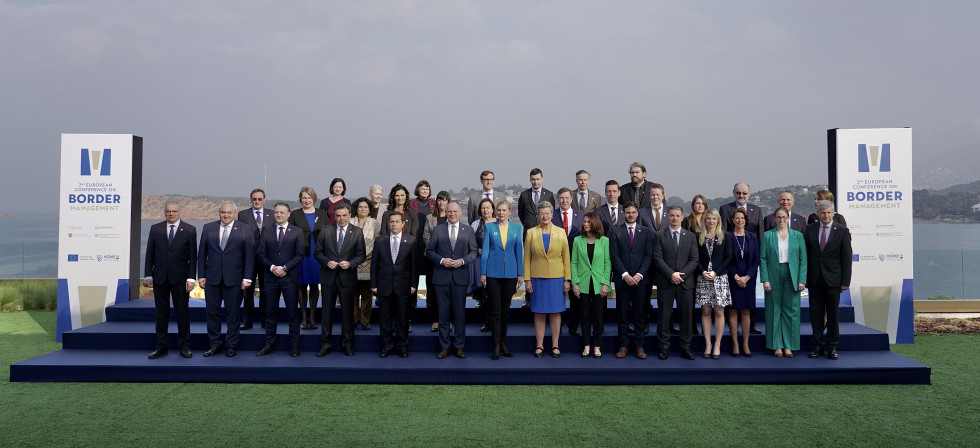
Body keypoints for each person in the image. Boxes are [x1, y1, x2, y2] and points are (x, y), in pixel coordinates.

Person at [197, 201, 255, 358]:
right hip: (212, 280)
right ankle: (214, 345)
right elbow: (202, 253)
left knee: (233, 315)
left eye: (229, 212)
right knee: (212, 314)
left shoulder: (245, 229)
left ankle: (231, 345)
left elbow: (250, 256)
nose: (226, 215)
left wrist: (247, 278)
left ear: (235, 214)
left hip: (235, 280)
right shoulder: (208, 228)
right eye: (223, 212)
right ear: (219, 213)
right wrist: (201, 275)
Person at [144, 201, 197, 359]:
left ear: (180, 212)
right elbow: (149, 254)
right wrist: (148, 275)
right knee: (161, 314)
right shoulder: (155, 229)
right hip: (160, 278)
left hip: (180, 279)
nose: (171, 214)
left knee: (182, 314)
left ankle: (185, 346)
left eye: (174, 211)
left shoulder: (189, 230)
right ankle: (161, 347)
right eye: (168, 211)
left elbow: (193, 257)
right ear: (164, 212)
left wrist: (191, 278)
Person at [425, 201, 478, 359]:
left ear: (461, 212)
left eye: (455, 211)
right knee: (443, 314)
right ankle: (444, 346)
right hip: (441, 278)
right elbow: (429, 251)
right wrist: (442, 260)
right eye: (449, 212)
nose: (452, 214)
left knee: (460, 314)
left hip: (460, 277)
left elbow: (473, 252)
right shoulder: (437, 230)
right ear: (445, 213)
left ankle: (459, 346)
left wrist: (462, 261)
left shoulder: (468, 230)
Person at [314, 202, 366, 357]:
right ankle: (325, 345)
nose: (341, 218)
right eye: (338, 216)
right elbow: (317, 253)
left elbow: (361, 255)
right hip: (328, 278)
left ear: (350, 215)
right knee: (326, 314)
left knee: (348, 314)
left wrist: (350, 263)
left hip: (347, 278)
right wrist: (326, 261)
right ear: (334, 216)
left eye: (344, 215)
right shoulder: (325, 230)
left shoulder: (357, 232)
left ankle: (348, 344)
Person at [255, 202, 306, 357]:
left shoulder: (297, 232)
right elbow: (261, 254)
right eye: (276, 212)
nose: (278, 215)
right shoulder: (267, 232)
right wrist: (272, 268)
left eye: (282, 212)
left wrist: (284, 268)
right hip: (270, 278)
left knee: (292, 313)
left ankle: (295, 345)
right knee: (270, 313)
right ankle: (269, 344)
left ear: (288, 214)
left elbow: (300, 255)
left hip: (289, 278)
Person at [804, 200, 852, 360]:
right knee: (815, 315)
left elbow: (846, 258)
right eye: (822, 212)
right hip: (814, 279)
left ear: (834, 213)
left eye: (828, 213)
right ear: (817, 214)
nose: (825, 215)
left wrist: (846, 281)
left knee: (833, 315)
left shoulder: (843, 231)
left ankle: (832, 347)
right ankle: (817, 347)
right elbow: (804, 256)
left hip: (834, 280)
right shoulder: (809, 229)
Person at [523, 201, 571, 358]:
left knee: (556, 312)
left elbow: (566, 258)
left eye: (547, 213)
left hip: (557, 278)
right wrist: (527, 280)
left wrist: (567, 280)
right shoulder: (531, 233)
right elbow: (527, 258)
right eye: (542, 213)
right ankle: (539, 345)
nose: (545, 216)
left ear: (552, 214)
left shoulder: (560, 231)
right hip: (537, 278)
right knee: (539, 312)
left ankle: (555, 345)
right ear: (538, 215)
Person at [651, 205, 699, 360]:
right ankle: (664, 348)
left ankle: (686, 347)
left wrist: (681, 276)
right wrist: (671, 274)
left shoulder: (691, 236)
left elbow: (694, 259)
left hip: (686, 283)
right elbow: (657, 258)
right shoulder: (659, 235)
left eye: (677, 216)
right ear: (667, 216)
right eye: (671, 215)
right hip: (666, 282)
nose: (674, 218)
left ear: (682, 217)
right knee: (664, 317)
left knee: (686, 317)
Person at [760, 206, 807, 358]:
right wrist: (765, 280)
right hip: (774, 275)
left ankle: (789, 345)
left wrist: (801, 280)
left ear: (788, 218)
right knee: (774, 311)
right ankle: (776, 345)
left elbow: (803, 260)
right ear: (774, 219)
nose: (781, 220)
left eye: (784, 217)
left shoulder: (797, 236)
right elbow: (763, 259)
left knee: (791, 312)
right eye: (778, 217)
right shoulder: (767, 236)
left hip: (791, 275)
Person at [609, 201, 653, 359]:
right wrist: (625, 275)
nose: (631, 215)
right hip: (622, 280)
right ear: (623, 213)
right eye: (628, 212)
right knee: (622, 314)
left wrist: (639, 275)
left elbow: (649, 256)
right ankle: (623, 346)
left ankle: (640, 346)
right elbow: (614, 256)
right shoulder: (615, 232)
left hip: (641, 280)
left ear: (637, 213)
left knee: (640, 314)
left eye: (633, 212)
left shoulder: (647, 232)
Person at [480, 200, 524, 360]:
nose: (501, 213)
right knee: (496, 311)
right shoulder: (489, 227)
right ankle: (496, 345)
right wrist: (482, 272)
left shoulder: (517, 228)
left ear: (510, 212)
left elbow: (519, 251)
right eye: (498, 210)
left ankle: (503, 342)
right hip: (492, 274)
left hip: (511, 274)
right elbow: (485, 250)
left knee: (505, 311)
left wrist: (520, 273)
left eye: (504, 210)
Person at [372, 211, 418, 358]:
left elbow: (414, 266)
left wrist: (413, 284)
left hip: (403, 286)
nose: (394, 224)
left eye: (397, 222)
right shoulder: (380, 240)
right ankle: (386, 345)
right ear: (388, 223)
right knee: (385, 318)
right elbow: (374, 265)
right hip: (384, 285)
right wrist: (374, 284)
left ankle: (402, 346)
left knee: (403, 318)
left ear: (403, 223)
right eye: (391, 222)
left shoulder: (411, 240)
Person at [719, 182, 764, 334]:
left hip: (750, 260)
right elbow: (723, 234)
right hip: (733, 261)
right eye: (738, 193)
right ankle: (733, 328)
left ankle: (750, 324)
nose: (741, 196)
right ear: (734, 193)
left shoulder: (756, 210)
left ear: (749, 193)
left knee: (749, 298)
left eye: (744, 193)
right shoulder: (725, 209)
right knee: (732, 302)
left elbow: (760, 235)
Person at [570, 212, 610, 359]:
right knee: (585, 316)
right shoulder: (577, 241)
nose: (585, 224)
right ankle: (586, 346)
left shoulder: (605, 241)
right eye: (584, 222)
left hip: (600, 284)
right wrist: (575, 283)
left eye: (588, 222)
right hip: (583, 284)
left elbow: (607, 264)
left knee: (598, 317)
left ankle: (597, 347)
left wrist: (605, 283)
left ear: (595, 223)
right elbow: (573, 263)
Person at [288, 187, 328, 331]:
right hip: (300, 254)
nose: (306, 200)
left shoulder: (322, 214)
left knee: (315, 285)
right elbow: (290, 234)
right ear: (300, 199)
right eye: (304, 197)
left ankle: (312, 317)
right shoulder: (295, 214)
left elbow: (328, 233)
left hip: (317, 254)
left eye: (309, 197)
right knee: (302, 286)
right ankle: (304, 318)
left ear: (314, 198)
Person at [696, 209, 733, 359]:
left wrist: (715, 272)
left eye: (714, 219)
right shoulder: (698, 237)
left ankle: (717, 344)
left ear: (718, 221)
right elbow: (695, 258)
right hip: (703, 278)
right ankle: (708, 344)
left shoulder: (725, 236)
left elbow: (728, 257)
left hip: (720, 278)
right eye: (708, 219)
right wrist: (702, 271)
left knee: (719, 312)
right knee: (705, 312)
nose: (711, 221)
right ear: (704, 220)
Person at [238, 188, 274, 330]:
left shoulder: (272, 214)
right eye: (254, 199)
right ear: (251, 199)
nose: (257, 201)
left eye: (260, 199)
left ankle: (265, 320)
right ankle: (247, 321)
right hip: (249, 258)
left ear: (264, 199)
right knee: (247, 291)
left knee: (266, 290)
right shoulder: (243, 215)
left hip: (266, 259)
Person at [727, 208, 760, 358]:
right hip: (732, 278)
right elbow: (725, 259)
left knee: (746, 311)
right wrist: (736, 277)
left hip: (749, 280)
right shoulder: (727, 237)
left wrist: (746, 277)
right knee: (733, 310)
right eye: (737, 218)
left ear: (745, 220)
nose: (739, 221)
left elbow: (756, 260)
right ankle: (735, 343)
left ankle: (745, 344)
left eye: (742, 218)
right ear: (733, 220)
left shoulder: (752, 237)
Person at [551, 188, 583, 336]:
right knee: (557, 294)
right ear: (558, 200)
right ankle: (556, 323)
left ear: (571, 199)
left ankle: (573, 325)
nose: (564, 201)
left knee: (575, 296)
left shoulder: (581, 216)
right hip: (556, 260)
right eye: (561, 198)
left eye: (567, 198)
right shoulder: (552, 216)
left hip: (576, 261)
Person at [351, 197, 381, 331]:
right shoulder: (350, 222)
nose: (362, 209)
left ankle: (365, 320)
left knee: (367, 295)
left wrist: (367, 255)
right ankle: (354, 319)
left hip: (369, 263)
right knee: (353, 295)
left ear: (369, 209)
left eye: (365, 207)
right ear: (356, 209)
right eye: (360, 207)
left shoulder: (375, 223)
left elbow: (378, 241)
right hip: (351, 263)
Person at [422, 191, 451, 332]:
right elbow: (426, 236)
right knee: (433, 290)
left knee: (447, 291)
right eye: (440, 200)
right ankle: (435, 320)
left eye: (444, 200)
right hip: (432, 259)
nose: (442, 203)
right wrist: (436, 252)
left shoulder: (452, 217)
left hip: (448, 259)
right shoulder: (430, 217)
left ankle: (447, 320)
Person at [470, 198, 496, 333]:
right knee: (483, 293)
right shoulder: (475, 224)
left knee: (494, 293)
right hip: (480, 261)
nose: (485, 210)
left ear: (493, 209)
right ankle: (487, 321)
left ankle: (496, 321)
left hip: (496, 262)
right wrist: (479, 250)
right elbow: (470, 243)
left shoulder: (499, 223)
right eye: (483, 208)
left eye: (488, 207)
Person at [517, 168, 556, 234]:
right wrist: (528, 223)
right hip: (528, 231)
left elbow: (552, 212)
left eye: (538, 179)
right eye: (533, 179)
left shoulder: (549, 195)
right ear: (530, 180)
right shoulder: (524, 195)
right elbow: (521, 213)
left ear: (542, 179)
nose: (535, 182)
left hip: (545, 231)